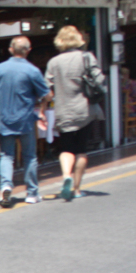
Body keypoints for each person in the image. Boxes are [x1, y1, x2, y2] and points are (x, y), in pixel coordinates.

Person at [0, 36, 51, 205]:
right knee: (29, 156)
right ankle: (32, 193)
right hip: (26, 120)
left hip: (5, 119)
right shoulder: (33, 71)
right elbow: (47, 94)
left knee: (6, 156)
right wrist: (42, 111)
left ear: (10, 49)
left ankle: (5, 187)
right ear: (28, 50)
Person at [44, 26, 106, 201]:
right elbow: (100, 79)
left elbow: (47, 90)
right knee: (81, 150)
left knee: (66, 148)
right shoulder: (87, 57)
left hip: (64, 110)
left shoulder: (53, 62)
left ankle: (66, 177)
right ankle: (77, 189)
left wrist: (45, 105)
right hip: (85, 109)